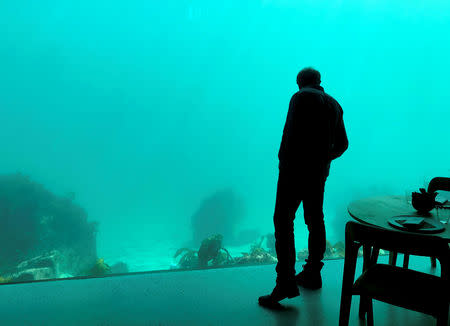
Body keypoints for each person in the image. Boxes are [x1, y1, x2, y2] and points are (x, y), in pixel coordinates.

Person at [259, 67, 348, 306]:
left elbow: (289, 135)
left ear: (299, 82)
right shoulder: (334, 104)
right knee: (315, 220)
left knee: (283, 221)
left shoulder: (300, 97)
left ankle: (285, 282)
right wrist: (323, 160)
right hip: (318, 174)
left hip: (293, 171)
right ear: (319, 81)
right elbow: (343, 144)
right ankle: (312, 272)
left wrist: (284, 162)